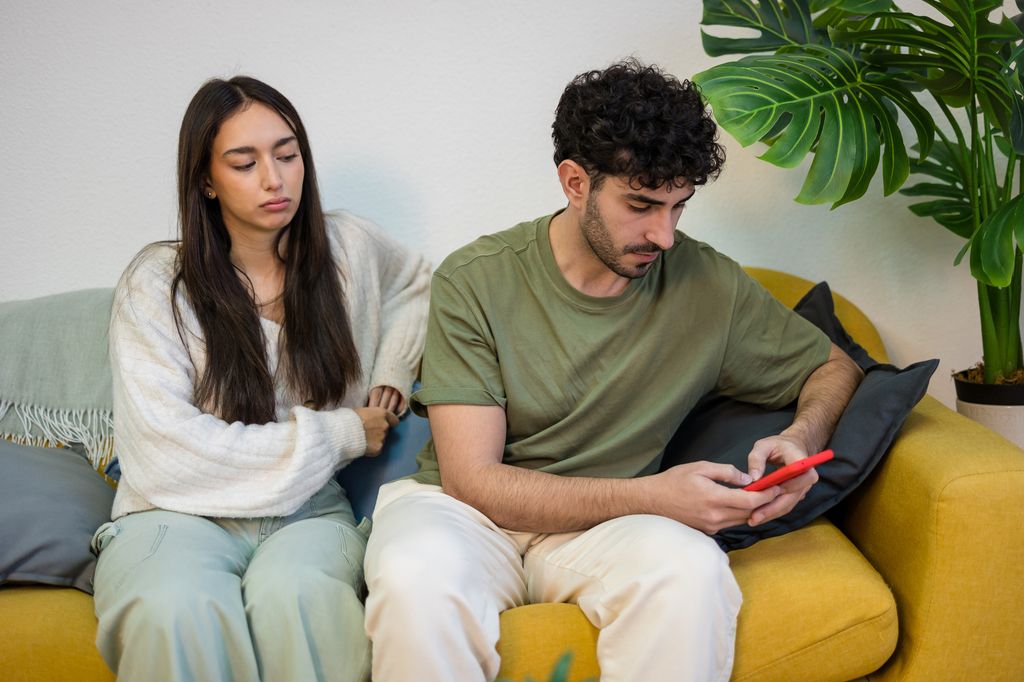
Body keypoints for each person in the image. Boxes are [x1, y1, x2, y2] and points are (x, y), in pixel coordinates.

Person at [363, 60, 863, 681]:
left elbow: (833, 366)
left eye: (679, 207)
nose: (665, 234)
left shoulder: (708, 285)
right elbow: (474, 481)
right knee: (416, 579)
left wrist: (799, 439)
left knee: (691, 571)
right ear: (575, 182)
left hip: (604, 529)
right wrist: (657, 497)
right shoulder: (477, 278)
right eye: (642, 205)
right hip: (465, 516)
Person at [91, 76, 430, 682]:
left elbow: (418, 285)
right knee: (174, 610)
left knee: (301, 597)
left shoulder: (346, 247)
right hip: (173, 515)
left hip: (308, 512)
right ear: (205, 180)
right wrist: (342, 433)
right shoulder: (156, 284)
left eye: (288, 154)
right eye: (245, 163)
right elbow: (168, 456)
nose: (275, 180)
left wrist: (394, 371)